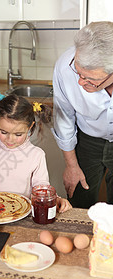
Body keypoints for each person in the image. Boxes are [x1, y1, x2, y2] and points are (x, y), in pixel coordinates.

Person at [0, 93, 72, 213]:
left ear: (30, 127)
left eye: (18, 134)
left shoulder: (36, 155)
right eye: (3, 132)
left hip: (22, 213)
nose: (10, 139)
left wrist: (55, 200)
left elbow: (41, 187)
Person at [52, 21, 113, 208]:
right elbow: (64, 119)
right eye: (78, 72)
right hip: (86, 139)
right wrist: (71, 166)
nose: (80, 82)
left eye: (91, 79)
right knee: (79, 199)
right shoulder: (65, 66)